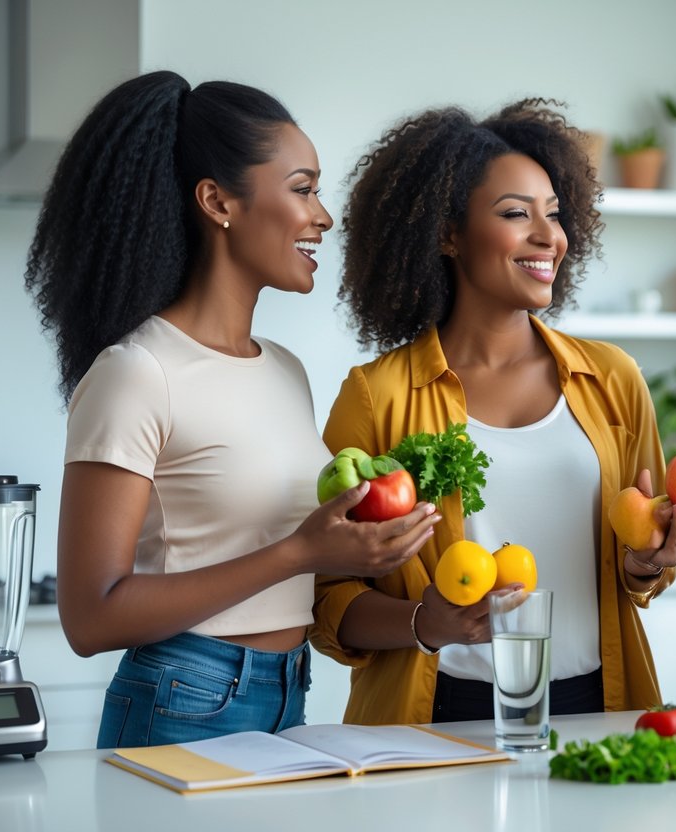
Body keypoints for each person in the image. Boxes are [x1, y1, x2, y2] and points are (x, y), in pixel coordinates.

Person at [24, 71, 438, 748]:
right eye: (302, 188)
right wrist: (300, 550)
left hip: (288, 691)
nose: (323, 215)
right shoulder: (136, 373)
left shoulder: (286, 371)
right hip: (183, 700)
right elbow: (89, 618)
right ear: (218, 201)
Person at [311, 99, 676, 725]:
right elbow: (327, 598)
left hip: (596, 706)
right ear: (446, 234)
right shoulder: (377, 396)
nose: (549, 236)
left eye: (554, 214)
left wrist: (645, 562)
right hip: (435, 716)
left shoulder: (613, 380)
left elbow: (640, 568)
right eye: (516, 214)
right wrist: (427, 621)